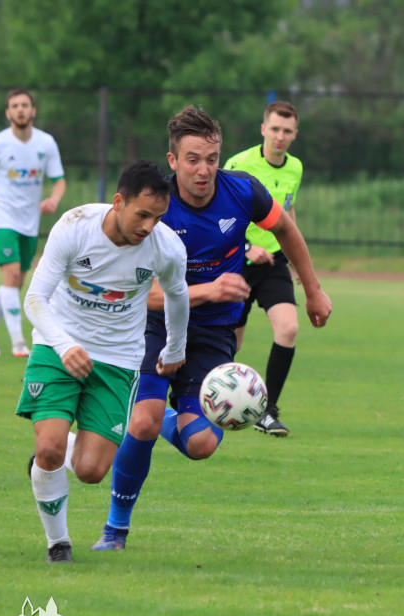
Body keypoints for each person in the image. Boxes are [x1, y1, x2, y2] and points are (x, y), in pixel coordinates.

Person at [93, 105, 332, 551]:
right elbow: (135, 295)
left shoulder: (243, 191)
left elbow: (286, 231)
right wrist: (206, 290)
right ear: (172, 161)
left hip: (213, 333)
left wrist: (314, 290)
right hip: (155, 325)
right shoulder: (154, 206)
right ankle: (115, 530)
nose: (204, 170)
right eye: (192, 159)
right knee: (142, 424)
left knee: (200, 443)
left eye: (212, 158)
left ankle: (163, 416)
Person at [19, 160, 189, 563]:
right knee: (48, 448)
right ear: (118, 202)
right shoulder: (75, 226)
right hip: (56, 346)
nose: (149, 226)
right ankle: (57, 543)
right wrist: (63, 346)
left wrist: (176, 348)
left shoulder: (166, 247)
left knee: (93, 471)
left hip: (118, 359)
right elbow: (35, 299)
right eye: (142, 214)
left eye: (158, 217)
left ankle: (59, 455)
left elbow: (177, 296)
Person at [0, 88, 67, 358]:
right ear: (8, 113)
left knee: (16, 282)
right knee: (12, 277)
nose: (20, 109)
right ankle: (18, 343)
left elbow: (59, 180)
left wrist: (54, 198)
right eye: (15, 105)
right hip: (2, 217)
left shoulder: (46, 143)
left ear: (33, 111)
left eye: (25, 105)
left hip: (29, 222)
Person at [224, 100, 304, 437]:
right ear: (263, 129)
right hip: (235, 259)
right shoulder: (239, 164)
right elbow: (220, 217)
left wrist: (299, 262)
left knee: (288, 329)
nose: (280, 136)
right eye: (274, 129)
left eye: (287, 131)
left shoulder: (295, 168)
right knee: (230, 345)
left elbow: (288, 214)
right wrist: (245, 246)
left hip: (273, 261)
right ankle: (214, 402)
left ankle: (267, 411)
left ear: (295, 134)